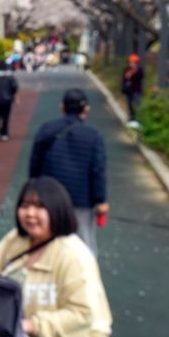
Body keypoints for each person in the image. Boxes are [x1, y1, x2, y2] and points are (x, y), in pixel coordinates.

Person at [0, 177, 117, 337]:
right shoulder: (15, 242)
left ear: (57, 210)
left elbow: (82, 313)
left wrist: (32, 325)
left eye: (39, 207)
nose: (30, 214)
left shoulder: (73, 255)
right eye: (25, 205)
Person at [28, 89, 107, 256]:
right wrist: (100, 200)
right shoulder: (93, 136)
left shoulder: (46, 129)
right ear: (86, 110)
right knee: (83, 243)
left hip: (50, 197)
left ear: (62, 107)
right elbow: (97, 170)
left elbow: (35, 164)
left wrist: (33, 190)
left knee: (48, 238)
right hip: (81, 199)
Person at [0, 61, 19, 141]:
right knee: (6, 117)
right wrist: (12, 94)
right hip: (7, 100)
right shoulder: (10, 77)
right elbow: (15, 87)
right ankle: (4, 133)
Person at [121, 53, 144, 128]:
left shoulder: (139, 70)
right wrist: (128, 75)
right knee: (130, 104)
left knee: (137, 104)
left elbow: (141, 76)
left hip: (137, 90)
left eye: (134, 62)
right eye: (131, 62)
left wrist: (135, 71)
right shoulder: (127, 70)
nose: (132, 64)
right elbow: (124, 79)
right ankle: (131, 118)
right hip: (129, 91)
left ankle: (138, 120)